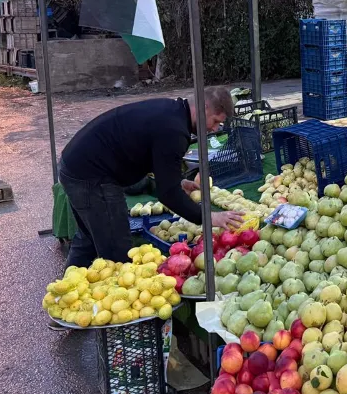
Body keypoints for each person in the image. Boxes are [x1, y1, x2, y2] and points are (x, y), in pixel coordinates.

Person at [58, 86, 243, 269]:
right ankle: (115, 292)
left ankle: (62, 295)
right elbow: (168, 193)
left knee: (89, 237)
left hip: (75, 163)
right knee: (117, 251)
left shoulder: (173, 112)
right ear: (204, 108)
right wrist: (209, 217)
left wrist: (177, 182)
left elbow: (158, 161)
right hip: (91, 175)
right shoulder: (175, 130)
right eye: (216, 121)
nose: (214, 128)